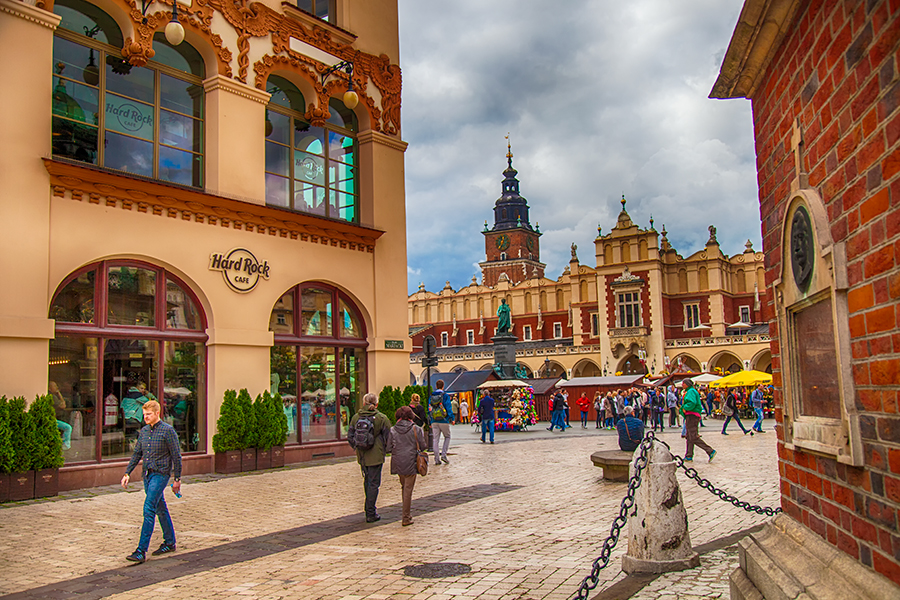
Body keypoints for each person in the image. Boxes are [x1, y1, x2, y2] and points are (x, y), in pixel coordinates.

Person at [120, 400, 182, 563]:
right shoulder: (144, 431)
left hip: (161, 475)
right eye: (144, 414)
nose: (145, 417)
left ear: (157, 414)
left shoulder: (168, 431)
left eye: (148, 414)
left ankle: (141, 551)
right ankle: (170, 542)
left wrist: (177, 479)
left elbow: (176, 456)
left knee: (149, 508)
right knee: (160, 507)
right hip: (147, 475)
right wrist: (127, 473)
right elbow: (137, 454)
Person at [349, 393, 391, 522]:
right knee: (373, 483)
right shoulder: (381, 418)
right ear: (376, 403)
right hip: (376, 455)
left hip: (362, 456)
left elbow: (350, 436)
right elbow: (389, 437)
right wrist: (384, 450)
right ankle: (370, 512)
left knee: (367, 481)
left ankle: (369, 508)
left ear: (364, 403)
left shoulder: (356, 417)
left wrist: (357, 447)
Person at [386, 406, 426, 526]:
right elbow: (423, 446)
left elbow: (388, 448)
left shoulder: (393, 430)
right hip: (411, 461)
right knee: (408, 489)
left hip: (398, 462)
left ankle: (406, 514)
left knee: (404, 487)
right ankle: (406, 517)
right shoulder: (416, 429)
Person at [680, 379, 716, 462]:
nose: (682, 385)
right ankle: (688, 455)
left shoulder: (691, 391)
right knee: (689, 436)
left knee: (693, 436)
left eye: (683, 383)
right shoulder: (690, 391)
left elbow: (692, 402)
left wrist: (685, 408)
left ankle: (710, 451)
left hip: (692, 415)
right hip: (691, 415)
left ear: (687, 384)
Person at [428, 380, 454, 465]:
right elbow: (448, 407)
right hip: (444, 420)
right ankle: (443, 454)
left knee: (435, 439)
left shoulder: (431, 396)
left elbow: (429, 409)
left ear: (436, 386)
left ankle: (436, 459)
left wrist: (430, 420)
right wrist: (451, 418)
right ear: (443, 386)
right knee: (447, 436)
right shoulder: (445, 396)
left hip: (434, 420)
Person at [49, 381, 72, 450]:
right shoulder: (52, 396)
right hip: (52, 419)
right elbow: (63, 405)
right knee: (68, 428)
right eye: (55, 386)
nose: (57, 388)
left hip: (53, 418)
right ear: (50, 388)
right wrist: (59, 394)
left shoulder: (52, 396)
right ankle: (66, 445)